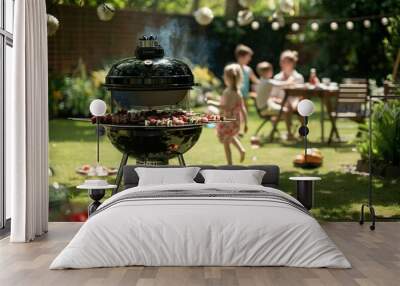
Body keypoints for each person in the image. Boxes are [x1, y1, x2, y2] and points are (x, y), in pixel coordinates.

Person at [215, 63, 248, 165]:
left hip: (228, 121)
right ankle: (241, 150)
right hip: (235, 122)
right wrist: (246, 123)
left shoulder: (227, 92)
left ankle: (229, 164)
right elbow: (243, 109)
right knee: (230, 137)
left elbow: (225, 107)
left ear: (226, 77)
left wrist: (213, 103)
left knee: (226, 142)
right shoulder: (238, 92)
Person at [273, 50, 304, 140]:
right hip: (280, 102)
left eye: (287, 62)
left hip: (295, 102)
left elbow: (301, 94)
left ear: (293, 63)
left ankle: (303, 133)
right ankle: (289, 133)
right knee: (288, 105)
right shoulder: (277, 78)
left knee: (302, 105)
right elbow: (273, 96)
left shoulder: (298, 77)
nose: (284, 64)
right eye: (283, 62)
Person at [235, 44, 259, 110]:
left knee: (244, 112)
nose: (250, 59)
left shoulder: (248, 69)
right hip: (235, 96)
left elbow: (256, 81)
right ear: (241, 56)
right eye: (248, 57)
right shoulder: (234, 69)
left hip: (245, 96)